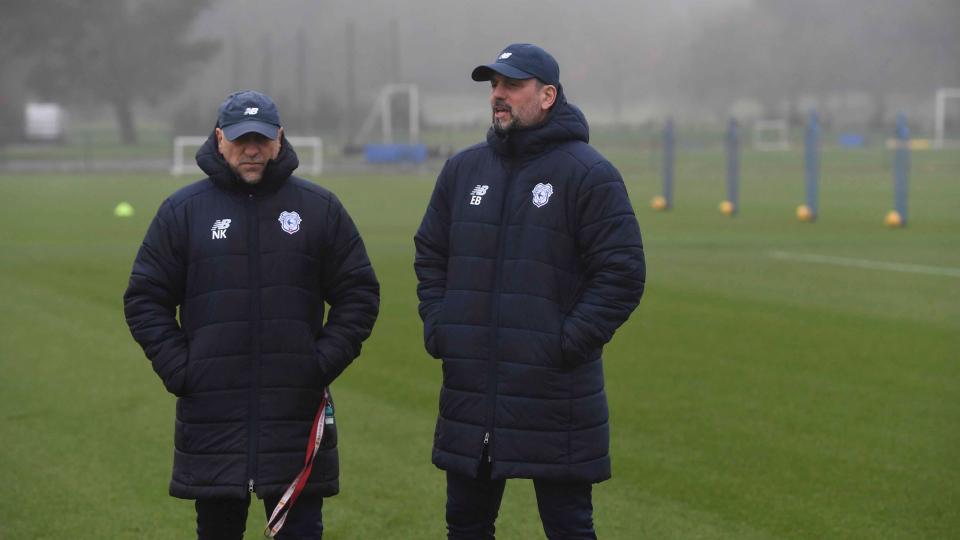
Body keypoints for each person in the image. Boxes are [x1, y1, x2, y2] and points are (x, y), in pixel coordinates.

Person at [414, 43, 646, 539]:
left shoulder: (588, 174)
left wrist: (563, 343)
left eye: (511, 85)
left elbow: (622, 272)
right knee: (466, 525)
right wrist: (441, 325)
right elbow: (430, 253)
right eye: (494, 85)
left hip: (555, 394)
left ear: (547, 95)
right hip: (471, 391)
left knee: (568, 528)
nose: (498, 95)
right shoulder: (463, 171)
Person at [124, 90, 379, 539]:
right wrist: (182, 369)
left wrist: (318, 364)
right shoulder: (183, 212)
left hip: (294, 417)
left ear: (280, 138)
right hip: (212, 420)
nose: (252, 149)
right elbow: (145, 298)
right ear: (220, 139)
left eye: (262, 138)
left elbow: (358, 292)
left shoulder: (319, 210)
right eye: (241, 139)